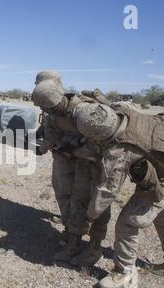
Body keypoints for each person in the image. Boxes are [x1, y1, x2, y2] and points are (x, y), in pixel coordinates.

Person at [72, 101, 164, 288]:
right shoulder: (128, 113)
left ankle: (124, 272)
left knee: (128, 222)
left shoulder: (119, 151)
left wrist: (89, 217)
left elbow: (107, 191)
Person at [33, 76, 111, 265]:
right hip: (75, 161)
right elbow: (51, 134)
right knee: (74, 200)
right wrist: (45, 145)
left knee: (97, 205)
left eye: (48, 108)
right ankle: (74, 241)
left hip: (94, 164)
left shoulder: (86, 111)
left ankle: (94, 247)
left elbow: (102, 140)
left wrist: (73, 148)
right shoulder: (52, 114)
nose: (46, 112)